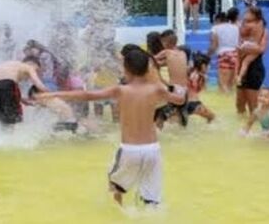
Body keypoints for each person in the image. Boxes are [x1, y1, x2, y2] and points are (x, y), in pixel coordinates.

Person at [36, 47, 187, 207]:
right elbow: (179, 100)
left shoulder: (120, 90)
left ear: (126, 69)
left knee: (114, 185)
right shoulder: (156, 89)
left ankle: (118, 213)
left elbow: (87, 96)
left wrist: (53, 94)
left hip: (130, 150)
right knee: (151, 199)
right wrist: (180, 88)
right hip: (153, 150)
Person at [0, 56, 51, 128]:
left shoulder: (12, 65)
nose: (28, 77)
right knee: (15, 117)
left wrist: (22, 100)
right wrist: (51, 95)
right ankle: (17, 135)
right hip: (7, 84)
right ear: (34, 65)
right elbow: (38, 84)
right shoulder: (29, 67)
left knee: (3, 116)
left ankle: (6, 135)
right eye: (37, 70)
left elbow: (6, 88)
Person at [235, 6, 269, 115]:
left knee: (252, 107)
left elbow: (262, 49)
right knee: (239, 105)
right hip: (243, 65)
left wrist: (247, 47)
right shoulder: (244, 28)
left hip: (254, 68)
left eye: (248, 13)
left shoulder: (263, 30)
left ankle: (255, 129)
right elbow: (239, 51)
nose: (245, 15)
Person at [151, 31, 189, 128]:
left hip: (174, 89)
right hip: (184, 89)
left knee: (159, 115)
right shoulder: (182, 53)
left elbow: (150, 59)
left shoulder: (166, 52)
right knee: (180, 114)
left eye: (162, 42)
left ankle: (157, 135)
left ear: (166, 43)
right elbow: (169, 63)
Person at [207, 10, 240, 93]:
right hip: (236, 55)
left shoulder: (215, 28)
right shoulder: (236, 27)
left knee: (222, 84)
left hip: (224, 56)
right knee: (231, 84)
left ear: (218, 20)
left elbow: (214, 45)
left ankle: (224, 102)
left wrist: (207, 55)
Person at [186, 54, 215, 123]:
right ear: (203, 66)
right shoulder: (202, 77)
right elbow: (203, 89)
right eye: (208, 65)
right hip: (194, 104)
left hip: (185, 103)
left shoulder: (190, 73)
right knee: (212, 117)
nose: (209, 67)